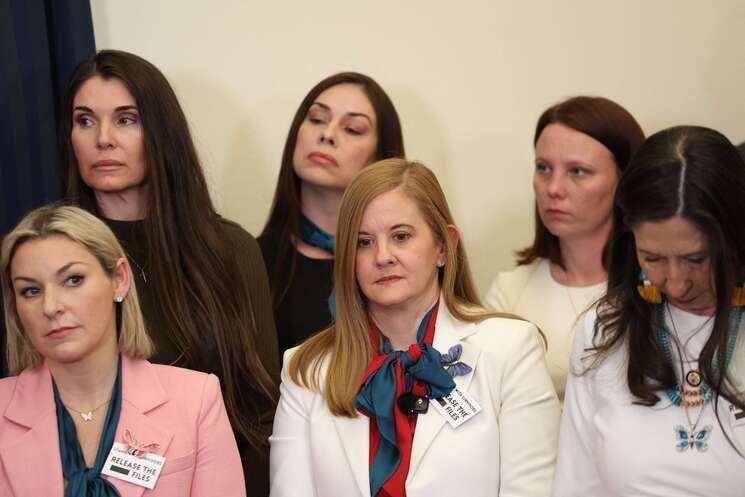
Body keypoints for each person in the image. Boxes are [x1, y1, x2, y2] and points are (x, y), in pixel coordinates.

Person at [57, 50, 277, 496]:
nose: (103, 139)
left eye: (126, 119)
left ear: (161, 132)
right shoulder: (50, 258)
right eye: (85, 121)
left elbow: (259, 417)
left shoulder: (228, 250)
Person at [270, 159, 560, 497]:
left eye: (401, 236)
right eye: (364, 242)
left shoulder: (511, 349)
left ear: (444, 246)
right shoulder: (304, 370)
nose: (383, 256)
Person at [0, 205, 245, 496]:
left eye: (73, 280)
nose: (51, 306)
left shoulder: (196, 400)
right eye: (31, 290)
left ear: (119, 279)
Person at [553, 126, 745, 496]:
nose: (676, 282)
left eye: (695, 259)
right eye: (652, 258)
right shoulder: (604, 330)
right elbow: (577, 484)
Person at [484, 96, 645, 400]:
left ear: (624, 180)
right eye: (543, 168)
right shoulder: (510, 292)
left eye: (578, 171)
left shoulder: (656, 287)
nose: (554, 188)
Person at [259, 72, 405, 359]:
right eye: (317, 119)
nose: (327, 134)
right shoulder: (251, 262)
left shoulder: (400, 261)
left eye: (352, 129)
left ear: (380, 158)